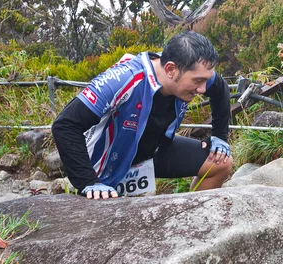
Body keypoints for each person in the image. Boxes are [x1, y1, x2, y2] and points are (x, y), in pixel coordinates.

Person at [51, 32, 233, 200]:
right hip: (106, 164)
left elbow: (221, 89)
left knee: (220, 163)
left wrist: (219, 136)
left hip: (154, 151)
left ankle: (191, 222)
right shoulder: (124, 78)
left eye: (205, 80)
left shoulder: (192, 70)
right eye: (198, 81)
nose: (202, 89)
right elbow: (65, 125)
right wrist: (88, 182)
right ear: (170, 70)